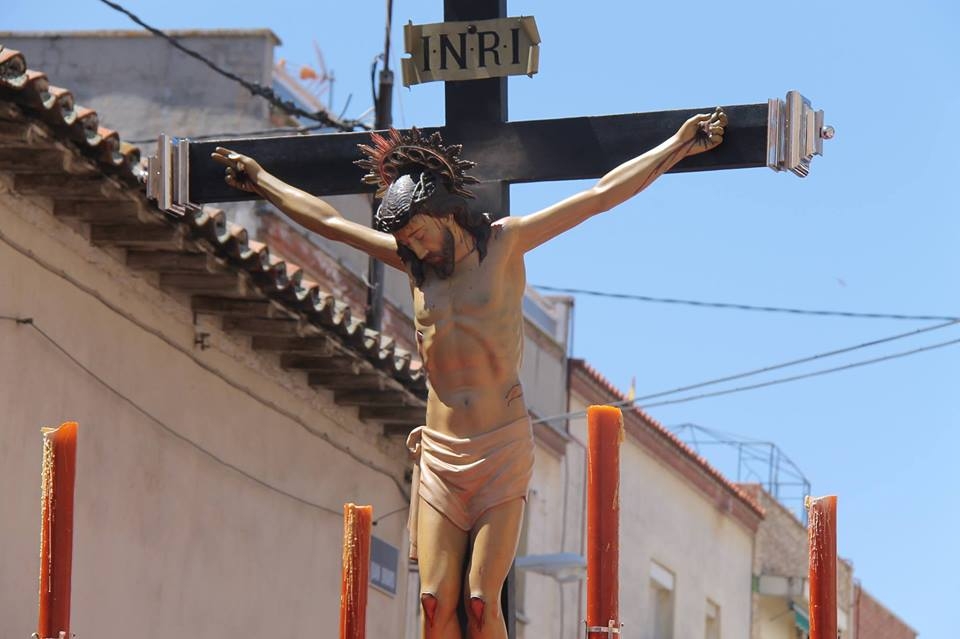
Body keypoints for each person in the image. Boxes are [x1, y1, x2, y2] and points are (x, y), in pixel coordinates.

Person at [211, 108, 726, 639]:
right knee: (434, 603)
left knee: (481, 602)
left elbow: (600, 196)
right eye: (405, 241)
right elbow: (329, 224)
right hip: (440, 452)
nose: (412, 247)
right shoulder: (413, 267)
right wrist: (262, 180)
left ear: (443, 212)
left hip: (500, 450)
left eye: (417, 234)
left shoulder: (506, 244)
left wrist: (677, 145)